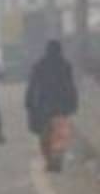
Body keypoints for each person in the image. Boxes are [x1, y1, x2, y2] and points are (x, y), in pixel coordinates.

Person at [24, 40, 78, 171]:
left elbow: (32, 86)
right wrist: (74, 103)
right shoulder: (66, 66)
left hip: (43, 106)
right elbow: (71, 86)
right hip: (61, 105)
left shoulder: (39, 65)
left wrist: (29, 102)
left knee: (44, 135)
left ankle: (49, 159)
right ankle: (57, 160)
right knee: (59, 134)